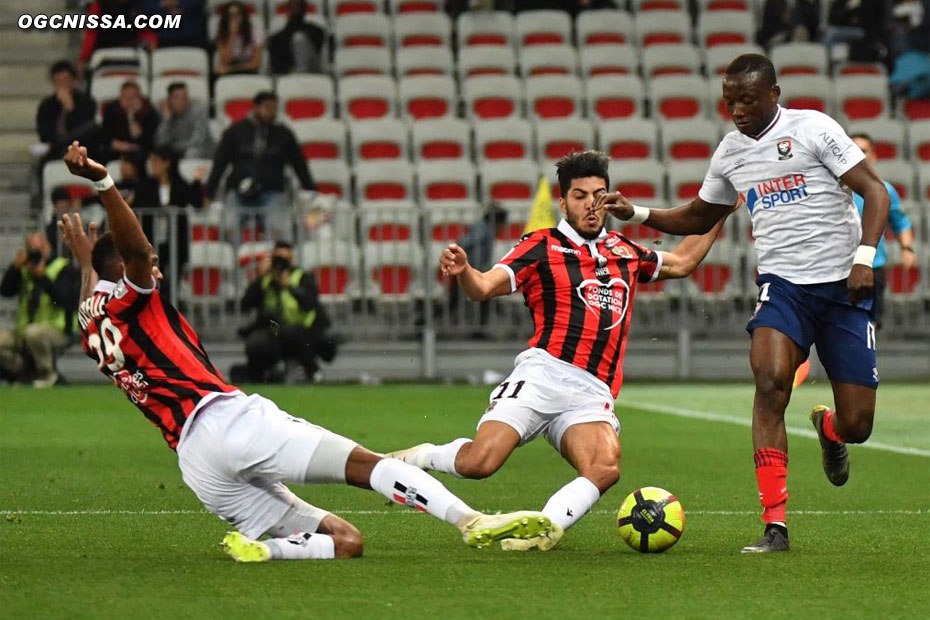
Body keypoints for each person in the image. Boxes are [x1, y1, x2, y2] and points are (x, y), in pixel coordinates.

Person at [58, 140, 557, 561]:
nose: (157, 270)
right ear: (123, 270)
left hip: (196, 464)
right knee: (372, 466)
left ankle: (266, 551)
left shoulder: (90, 319)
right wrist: (104, 185)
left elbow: (94, 286)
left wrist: (86, 260)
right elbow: (138, 254)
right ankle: (470, 520)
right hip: (228, 420)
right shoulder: (132, 292)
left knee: (346, 541)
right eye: (151, 265)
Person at [599, 54, 890, 553]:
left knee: (858, 425)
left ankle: (829, 428)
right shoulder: (731, 152)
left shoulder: (813, 128)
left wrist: (865, 257)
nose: (736, 110)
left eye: (747, 100)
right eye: (730, 101)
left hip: (842, 288)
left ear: (773, 94)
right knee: (770, 381)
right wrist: (638, 212)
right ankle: (775, 525)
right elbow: (698, 215)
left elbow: (875, 191)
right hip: (784, 288)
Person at [389, 150, 730, 551]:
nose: (591, 204)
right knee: (478, 464)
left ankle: (544, 528)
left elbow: (683, 262)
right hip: (542, 375)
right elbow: (483, 288)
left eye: (599, 195)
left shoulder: (624, 251)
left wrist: (720, 209)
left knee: (605, 467)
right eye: (580, 195)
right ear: (563, 202)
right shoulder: (540, 245)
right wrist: (465, 270)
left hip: (591, 391)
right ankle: (420, 457)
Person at [206, 91, 315, 239]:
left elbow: (299, 164)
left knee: (278, 230)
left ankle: (274, 261)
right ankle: (233, 261)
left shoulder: (283, 134)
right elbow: (220, 162)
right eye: (268, 108)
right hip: (239, 191)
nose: (272, 113)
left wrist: (311, 189)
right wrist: (209, 191)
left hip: (272, 191)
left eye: (275, 109)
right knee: (229, 228)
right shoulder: (235, 131)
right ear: (256, 108)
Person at [235, 241, 337, 383]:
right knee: (256, 342)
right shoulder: (265, 279)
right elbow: (245, 304)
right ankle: (264, 373)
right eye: (277, 259)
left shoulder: (301, 277)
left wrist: (288, 286)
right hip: (273, 327)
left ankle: (308, 370)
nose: (280, 264)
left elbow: (310, 304)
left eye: (284, 260)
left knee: (291, 334)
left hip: (302, 328)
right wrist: (259, 278)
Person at [849, 133, 916, 330]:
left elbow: (901, 222)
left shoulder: (884, 190)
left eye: (863, 151)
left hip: (872, 267)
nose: (858, 155)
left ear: (873, 156)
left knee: (868, 325)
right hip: (837, 268)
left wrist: (907, 248)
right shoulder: (833, 190)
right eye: (853, 150)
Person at [0, 232, 79, 387]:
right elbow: (5, 291)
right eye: (31, 248)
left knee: (33, 333)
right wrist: (14, 268)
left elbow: (66, 300)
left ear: (48, 247)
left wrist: (42, 277)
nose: (36, 252)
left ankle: (47, 374)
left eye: (39, 248)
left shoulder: (63, 268)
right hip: (24, 328)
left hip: (59, 329)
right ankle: (22, 373)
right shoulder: (23, 269)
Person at [134, 145, 206, 272]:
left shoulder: (180, 185)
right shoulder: (145, 186)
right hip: (151, 238)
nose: (152, 164)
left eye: (155, 161)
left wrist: (197, 182)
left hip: (175, 239)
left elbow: (196, 202)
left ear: (166, 163)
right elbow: (140, 204)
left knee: (172, 275)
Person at [35, 60, 98, 162]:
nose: (62, 85)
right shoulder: (46, 105)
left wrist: (70, 108)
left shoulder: (87, 102)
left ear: (73, 80)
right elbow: (44, 134)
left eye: (65, 80)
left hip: (83, 149)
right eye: (58, 81)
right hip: (54, 152)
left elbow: (87, 131)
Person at [100, 81, 160, 163]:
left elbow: (143, 140)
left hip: (140, 153)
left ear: (140, 98)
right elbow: (106, 137)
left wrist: (131, 116)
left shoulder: (149, 112)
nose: (129, 101)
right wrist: (126, 147)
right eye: (125, 97)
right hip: (116, 151)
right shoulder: (111, 109)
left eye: (133, 97)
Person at [154, 82, 214, 159]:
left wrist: (173, 147)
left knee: (191, 152)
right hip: (177, 151)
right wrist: (166, 120)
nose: (181, 102)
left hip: (202, 150)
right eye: (176, 98)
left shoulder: (198, 111)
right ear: (169, 100)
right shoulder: (164, 113)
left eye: (184, 98)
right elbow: (160, 143)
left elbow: (197, 141)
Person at [267, 0, 329, 75]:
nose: (295, 10)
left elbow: (319, 52)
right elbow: (276, 64)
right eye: (292, 7)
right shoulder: (277, 38)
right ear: (287, 11)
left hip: (312, 70)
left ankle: (301, 72)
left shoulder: (316, 31)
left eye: (298, 7)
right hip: (287, 73)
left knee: (299, 38)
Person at [214, 0, 263, 76]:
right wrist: (232, 35)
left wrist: (232, 68)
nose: (234, 19)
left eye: (237, 15)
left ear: (243, 16)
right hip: (231, 69)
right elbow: (225, 62)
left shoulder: (255, 33)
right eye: (230, 15)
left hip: (249, 71)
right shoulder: (223, 35)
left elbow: (255, 64)